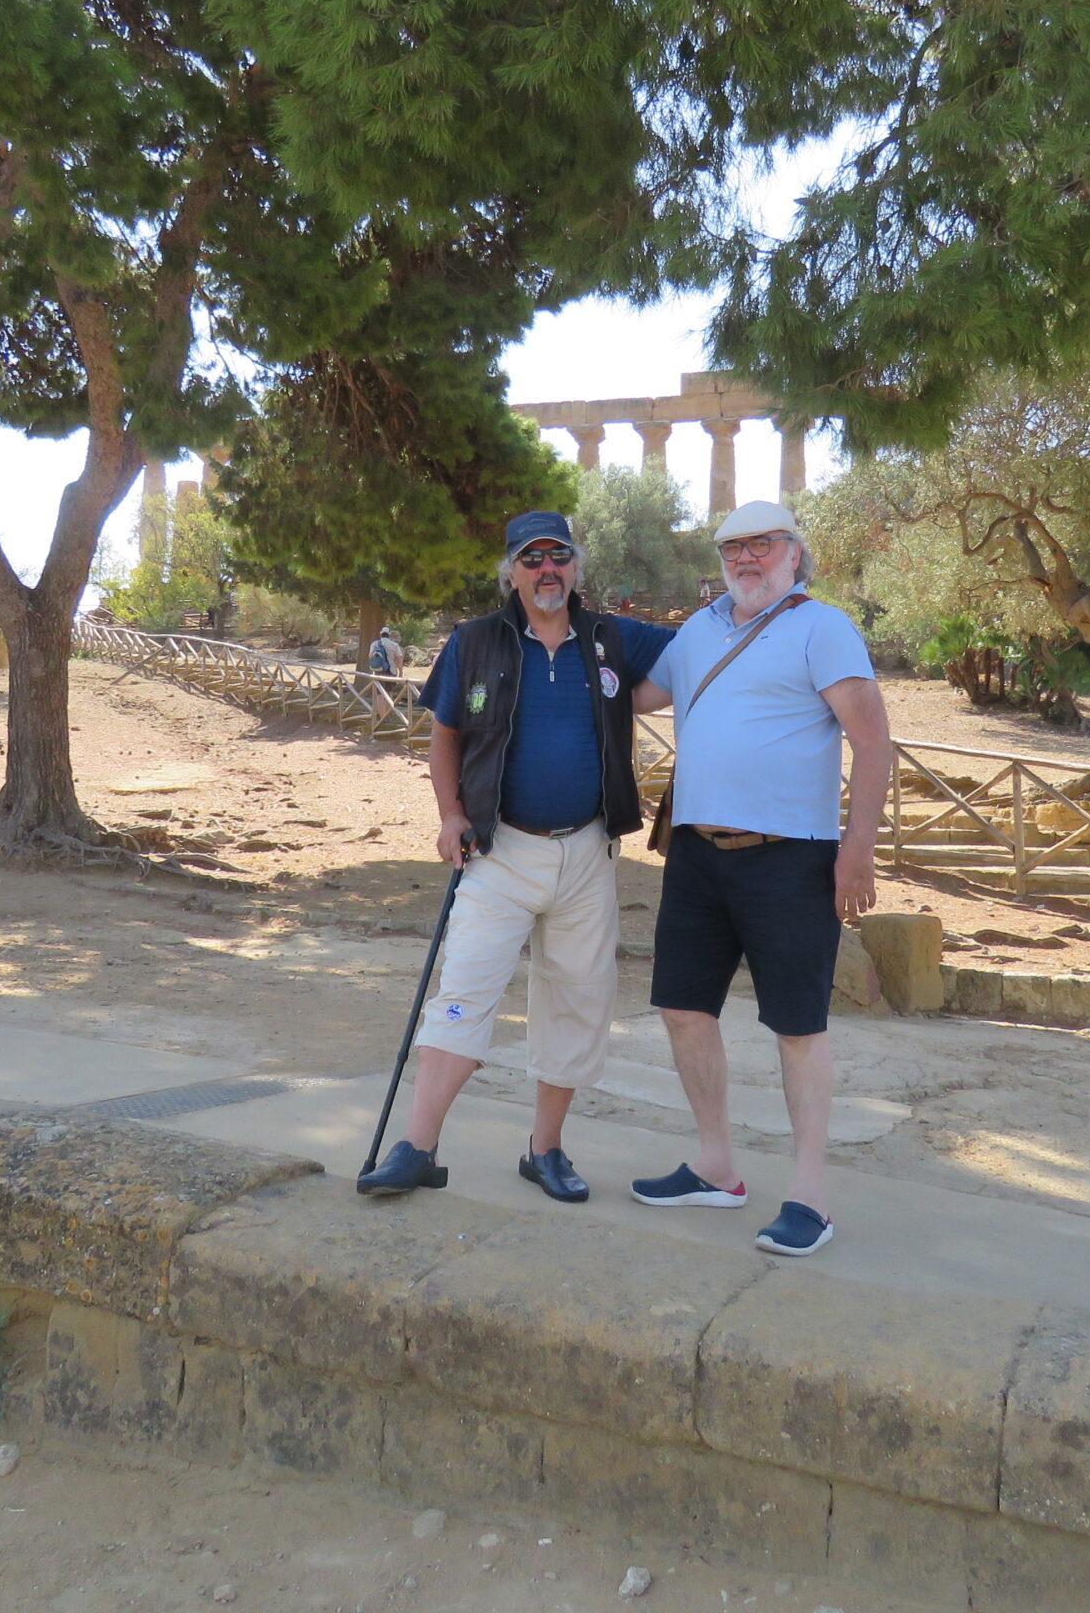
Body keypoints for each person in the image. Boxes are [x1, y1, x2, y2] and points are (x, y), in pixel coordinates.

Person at [358, 511, 674, 1201]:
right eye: (532, 558)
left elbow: (703, 647)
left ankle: (546, 1151)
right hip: (498, 850)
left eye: (558, 555)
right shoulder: (474, 641)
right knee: (463, 993)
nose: (546, 569)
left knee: (575, 1003)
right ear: (511, 572)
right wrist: (450, 815)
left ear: (576, 566)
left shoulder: (612, 637)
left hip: (587, 853)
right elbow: (444, 736)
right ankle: (417, 1148)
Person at [628, 500, 893, 1258]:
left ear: (794, 554)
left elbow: (874, 742)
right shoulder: (699, 630)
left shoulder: (823, 628)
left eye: (763, 545)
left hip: (792, 858)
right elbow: (638, 696)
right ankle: (716, 1167)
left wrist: (858, 850)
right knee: (683, 1009)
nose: (747, 558)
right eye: (733, 548)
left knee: (798, 1028)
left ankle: (809, 1198)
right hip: (696, 855)